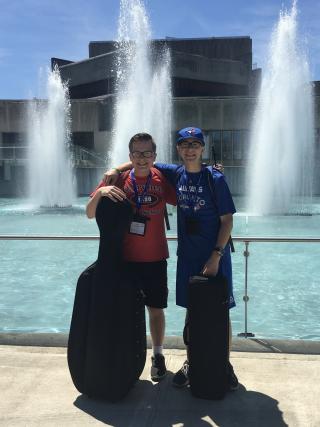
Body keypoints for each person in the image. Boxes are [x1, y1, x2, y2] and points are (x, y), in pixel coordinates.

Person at [103, 127, 239, 391]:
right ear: (178, 149)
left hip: (215, 255)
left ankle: (224, 363)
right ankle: (192, 362)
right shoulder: (175, 173)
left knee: (221, 312)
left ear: (202, 148)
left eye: (195, 144)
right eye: (185, 144)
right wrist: (116, 171)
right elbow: (142, 158)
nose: (190, 149)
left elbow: (227, 221)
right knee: (192, 310)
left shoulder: (215, 179)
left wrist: (216, 255)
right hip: (188, 255)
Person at [86, 132, 176, 382]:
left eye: (147, 153)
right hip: (125, 260)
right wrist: (101, 193)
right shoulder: (118, 179)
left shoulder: (162, 179)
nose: (142, 158)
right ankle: (129, 357)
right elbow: (89, 213)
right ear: (130, 156)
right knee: (126, 311)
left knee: (156, 310)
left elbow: (186, 198)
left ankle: (157, 356)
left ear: (154, 156)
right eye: (137, 153)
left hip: (156, 257)